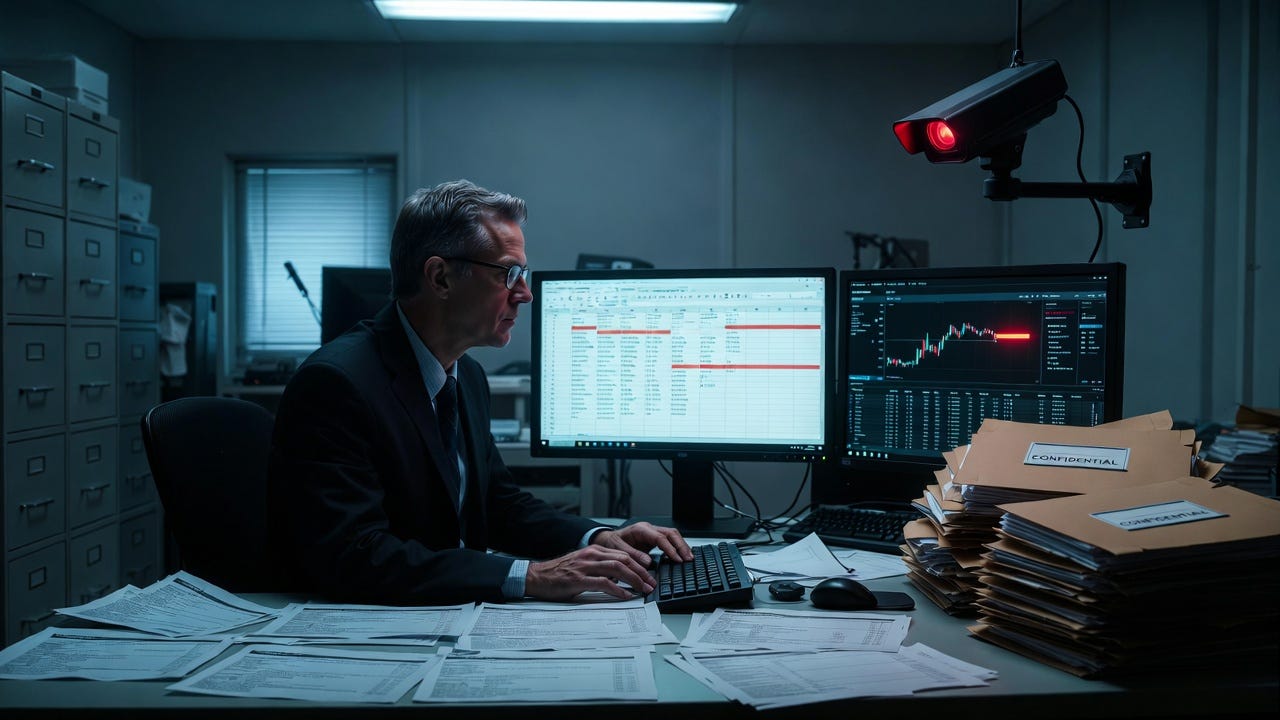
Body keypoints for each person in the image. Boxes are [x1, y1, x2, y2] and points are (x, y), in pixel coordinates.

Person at [268, 179, 692, 605]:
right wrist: (529, 576)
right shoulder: (335, 385)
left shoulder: (466, 377)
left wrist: (599, 536)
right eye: (508, 274)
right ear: (440, 277)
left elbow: (497, 503)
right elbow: (356, 554)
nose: (525, 294)